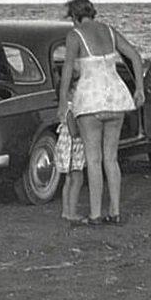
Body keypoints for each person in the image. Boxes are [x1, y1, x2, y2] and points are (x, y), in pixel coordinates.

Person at [57, 0, 145, 225]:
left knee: (93, 160)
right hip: (116, 97)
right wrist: (139, 89)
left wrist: (62, 100)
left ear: (75, 17)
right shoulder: (109, 30)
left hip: (90, 100)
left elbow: (67, 69)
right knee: (111, 159)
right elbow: (135, 56)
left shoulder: (75, 35)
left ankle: (96, 214)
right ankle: (114, 211)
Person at [55, 78, 85, 223]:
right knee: (77, 179)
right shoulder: (71, 109)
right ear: (69, 92)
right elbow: (74, 132)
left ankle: (66, 211)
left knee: (68, 180)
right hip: (73, 146)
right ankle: (72, 212)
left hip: (64, 146)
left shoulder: (63, 108)